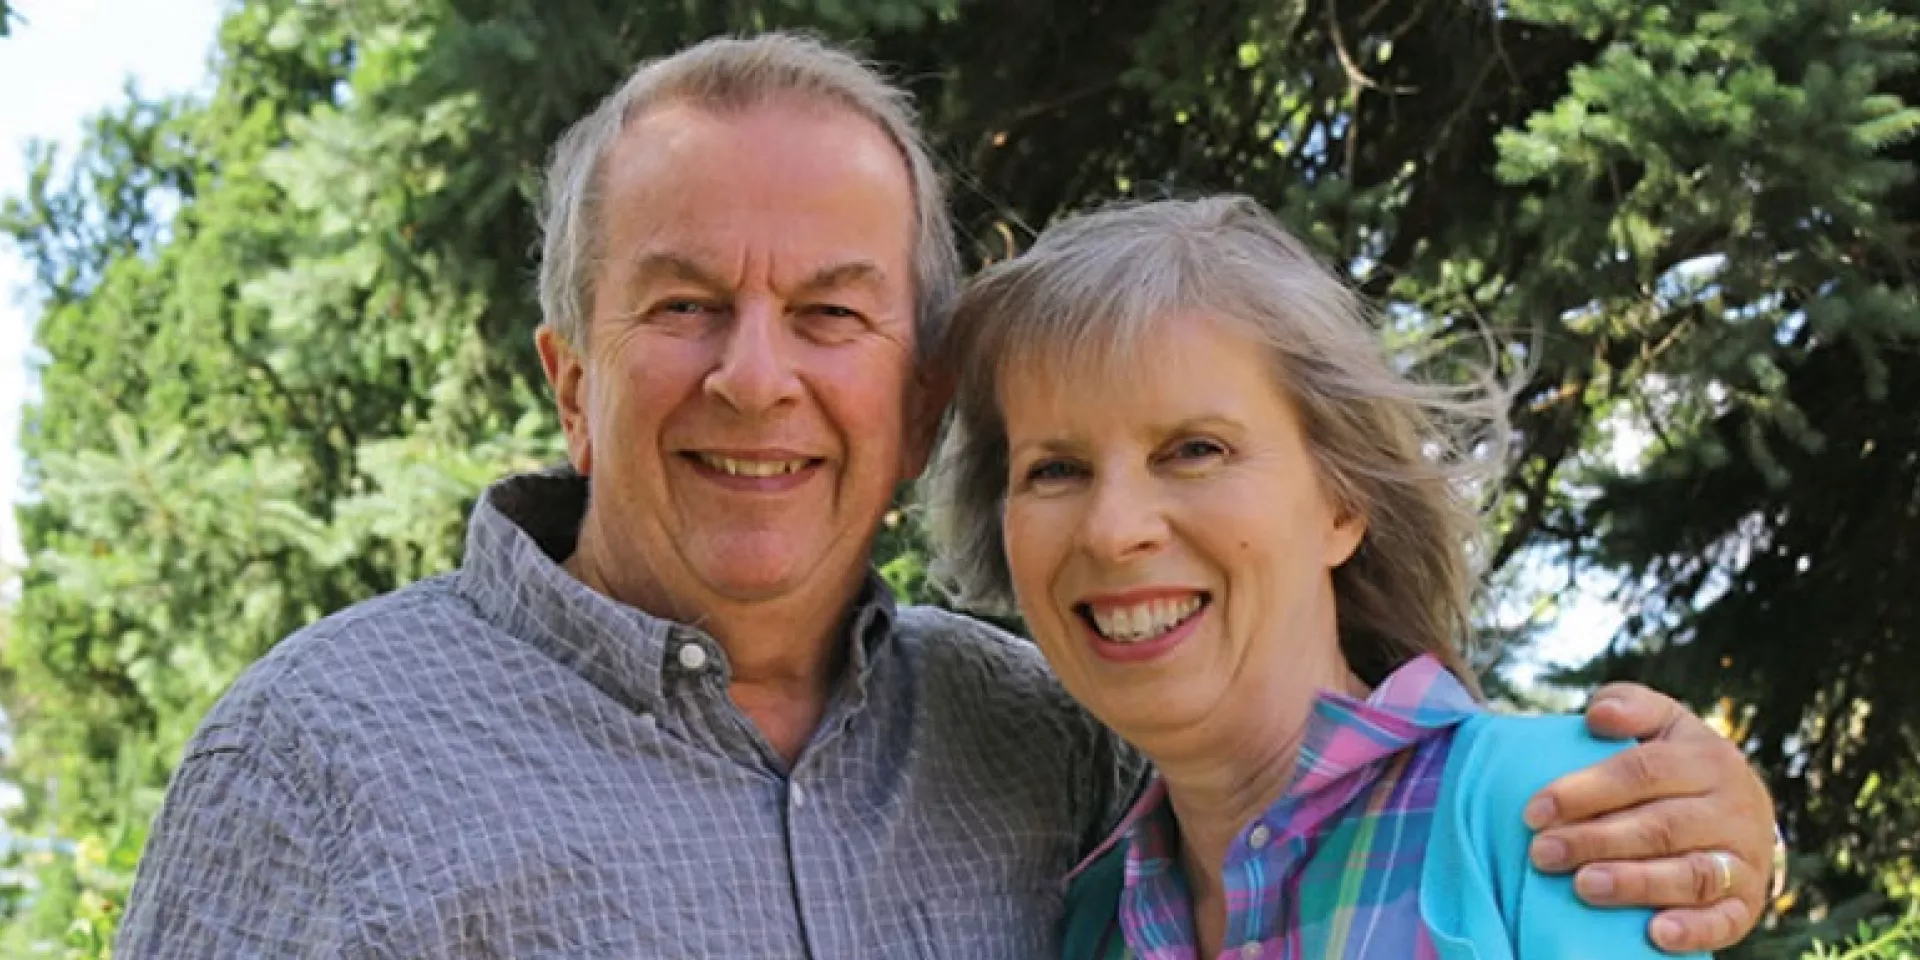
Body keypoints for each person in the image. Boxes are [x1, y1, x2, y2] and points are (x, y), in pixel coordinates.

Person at [115, 33, 1775, 958]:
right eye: (685, 303)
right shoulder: (320, 752)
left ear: (910, 413)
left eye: (831, 313)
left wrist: (1707, 837)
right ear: (571, 383)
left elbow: (1331, 755)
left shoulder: (1048, 741)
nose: (756, 376)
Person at [923, 194, 1731, 959]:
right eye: (1056, 469)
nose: (1113, 529)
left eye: (1195, 450)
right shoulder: (1091, 920)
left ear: (1343, 504)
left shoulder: (1551, 813)